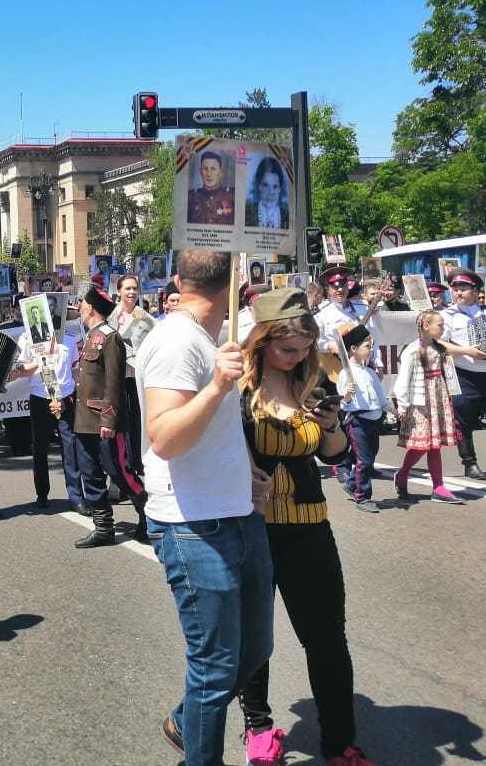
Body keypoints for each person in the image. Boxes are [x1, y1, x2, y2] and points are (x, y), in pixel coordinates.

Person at [136, 250, 274, 765]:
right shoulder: (176, 341)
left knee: (254, 648)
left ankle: (185, 720)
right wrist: (218, 385)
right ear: (238, 279)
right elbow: (165, 438)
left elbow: (214, 429)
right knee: (214, 668)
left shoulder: (211, 338)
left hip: (236, 511)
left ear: (177, 278)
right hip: (192, 524)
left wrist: (244, 468)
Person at [235, 288, 373, 766]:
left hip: (310, 527)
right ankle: (258, 727)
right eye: (287, 349)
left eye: (305, 348)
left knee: (327, 638)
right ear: (262, 342)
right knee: (254, 638)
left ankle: (340, 742)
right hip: (252, 528)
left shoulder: (314, 381)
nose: (297, 357)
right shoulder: (239, 387)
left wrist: (331, 424)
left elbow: (335, 455)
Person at [69, 285, 141, 548]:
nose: (79, 308)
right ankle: (103, 527)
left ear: (90, 307)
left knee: (119, 473)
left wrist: (109, 421)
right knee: (90, 475)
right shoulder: (90, 337)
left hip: (103, 422)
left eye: (81, 304)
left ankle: (147, 515)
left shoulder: (110, 338)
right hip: (85, 420)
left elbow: (114, 384)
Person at [440, 267, 486, 482]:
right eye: (455, 289)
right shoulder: (447, 316)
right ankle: (469, 462)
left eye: (463, 288)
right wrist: (467, 351)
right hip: (465, 376)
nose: (458, 292)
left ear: (476, 291)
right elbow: (437, 343)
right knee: (463, 421)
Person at [11, 307, 82, 512]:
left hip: (66, 398)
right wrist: (37, 360)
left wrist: (75, 396)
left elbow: (75, 371)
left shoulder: (69, 339)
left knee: (70, 447)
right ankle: (42, 493)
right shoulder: (28, 338)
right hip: (41, 397)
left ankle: (76, 497)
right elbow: (22, 370)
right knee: (40, 447)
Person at [391, 310, 464, 504]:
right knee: (421, 445)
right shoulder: (413, 350)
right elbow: (403, 380)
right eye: (440, 325)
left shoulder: (439, 348)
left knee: (434, 445)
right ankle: (403, 474)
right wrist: (403, 405)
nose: (443, 328)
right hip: (420, 401)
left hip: (437, 399)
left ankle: (438, 487)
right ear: (426, 325)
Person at [109, 275, 154, 523]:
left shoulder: (144, 318)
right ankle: (117, 481)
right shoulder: (110, 317)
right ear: (118, 291)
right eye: (127, 288)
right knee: (117, 431)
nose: (132, 292)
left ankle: (137, 475)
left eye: (135, 288)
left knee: (136, 430)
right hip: (115, 380)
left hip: (136, 380)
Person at [335, 325, 390, 513]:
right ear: (353, 349)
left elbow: (381, 397)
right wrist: (348, 395)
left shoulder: (370, 372)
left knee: (371, 455)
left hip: (374, 419)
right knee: (364, 460)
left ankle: (351, 483)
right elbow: (343, 403)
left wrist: (393, 410)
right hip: (358, 420)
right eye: (367, 346)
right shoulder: (345, 373)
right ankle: (362, 496)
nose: (370, 350)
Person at [314, 265, 374, 380]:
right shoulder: (321, 313)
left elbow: (373, 337)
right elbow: (313, 342)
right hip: (334, 371)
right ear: (328, 289)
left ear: (348, 287)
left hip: (362, 368)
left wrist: (377, 363)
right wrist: (329, 346)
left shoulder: (362, 308)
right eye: (335, 287)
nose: (340, 290)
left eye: (343, 285)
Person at [186, 150, 236, 225]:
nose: (209, 174)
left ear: (220, 172)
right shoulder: (190, 197)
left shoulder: (232, 196)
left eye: (213, 169)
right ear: (200, 172)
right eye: (205, 169)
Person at [244, 156, 289, 229]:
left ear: (280, 189)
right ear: (259, 186)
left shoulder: (287, 216)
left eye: (275, 186)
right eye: (265, 185)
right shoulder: (246, 212)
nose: (271, 192)